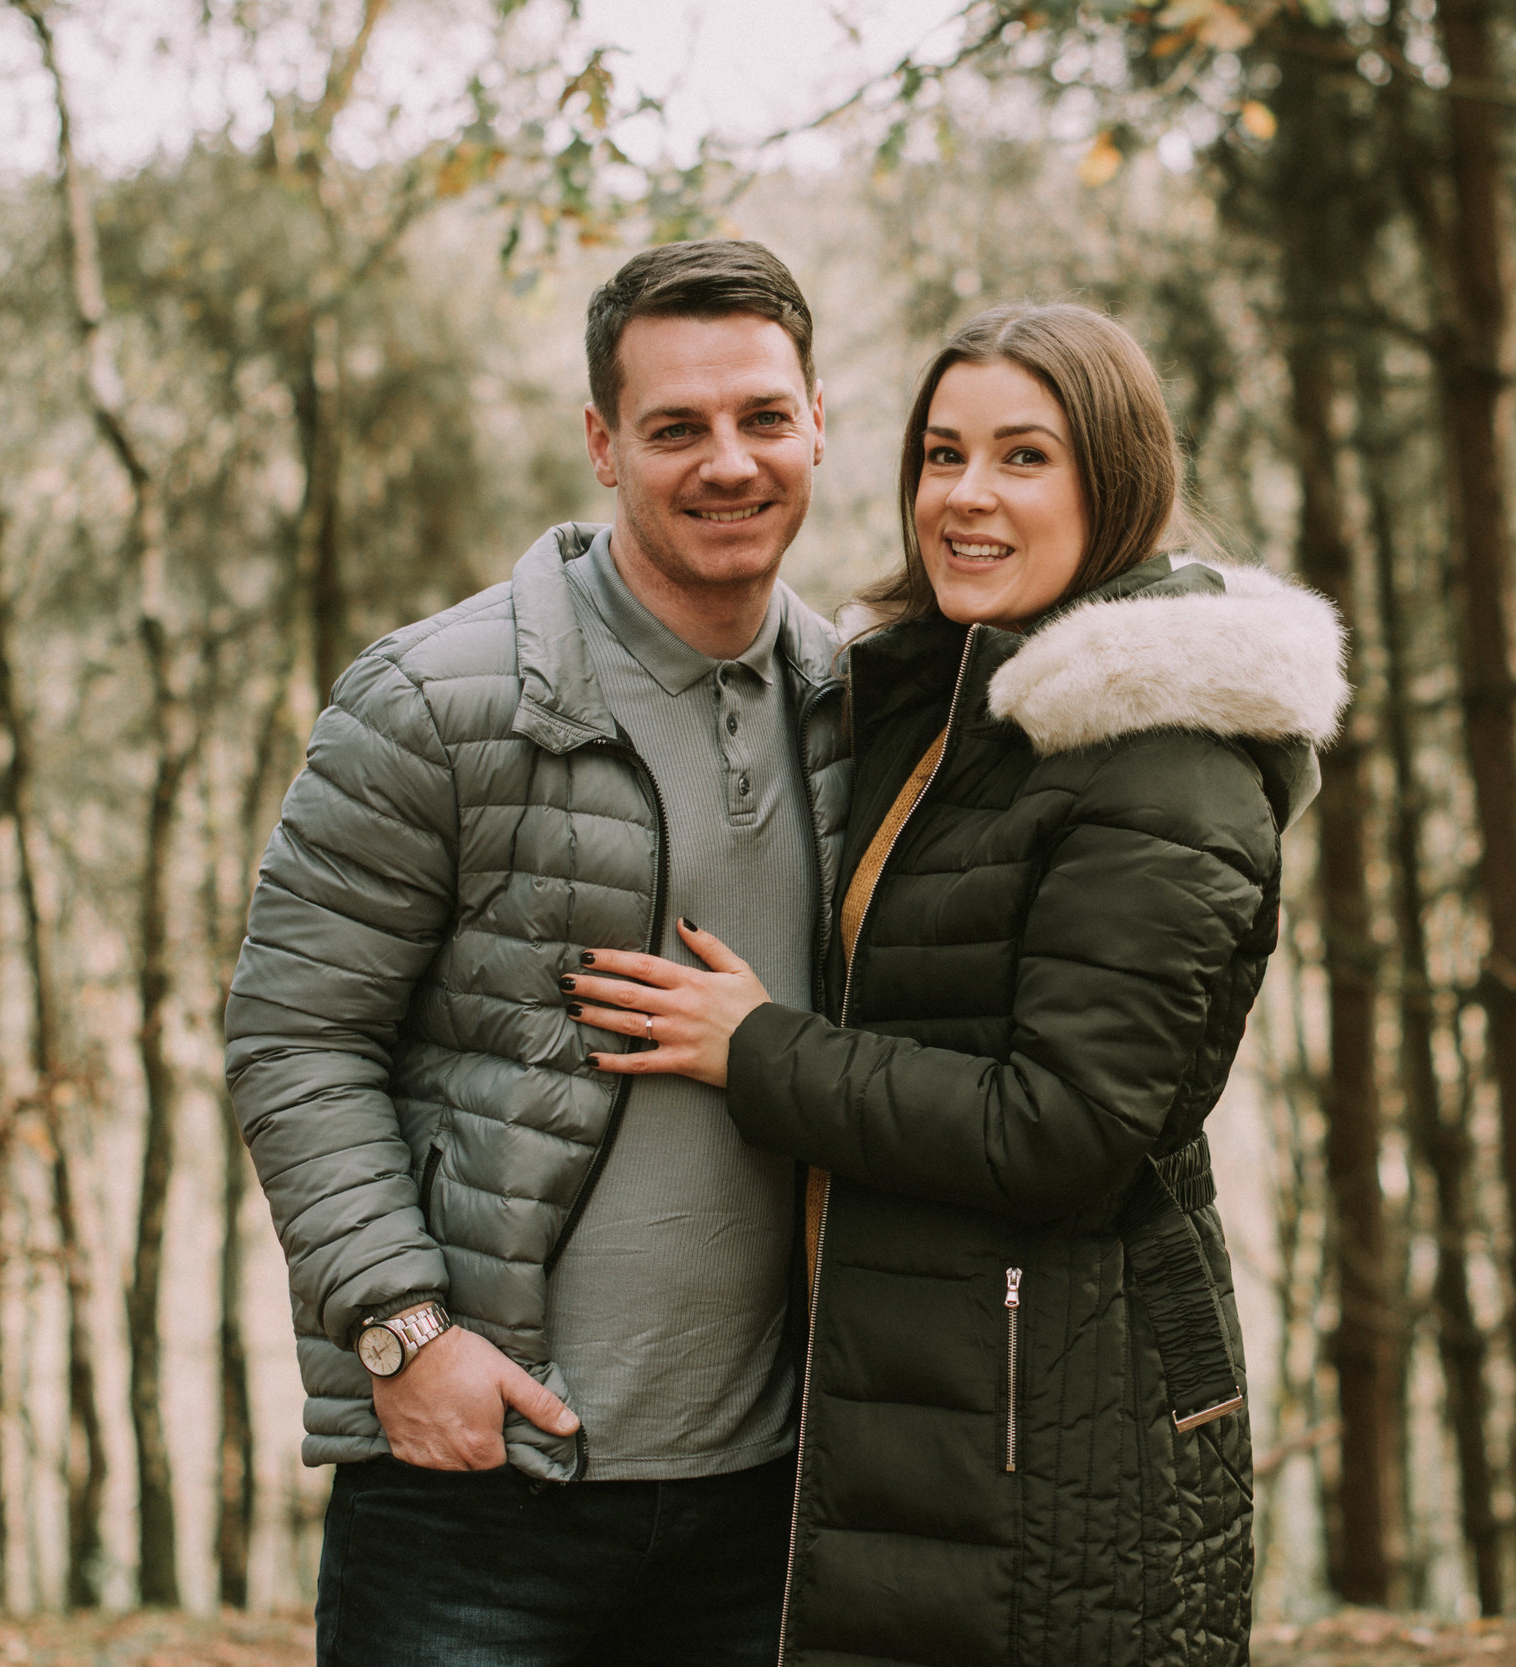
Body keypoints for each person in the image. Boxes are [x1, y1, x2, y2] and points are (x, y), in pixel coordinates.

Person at [561, 303, 1346, 1666]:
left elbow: (1066, 1127)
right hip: (932, 1399)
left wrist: (758, 1052)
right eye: (942, 454)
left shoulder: (1166, 753)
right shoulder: (940, 705)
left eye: (1023, 458)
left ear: (1119, 480)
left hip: (1056, 1415)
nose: (966, 498)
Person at [223, 238, 853, 1666]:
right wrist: (402, 1332)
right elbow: (295, 1035)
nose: (729, 462)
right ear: (601, 445)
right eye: (674, 427)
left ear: (821, 422)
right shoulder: (433, 702)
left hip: (775, 1497)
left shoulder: (866, 710)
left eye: (763, 416)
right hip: (477, 1487)